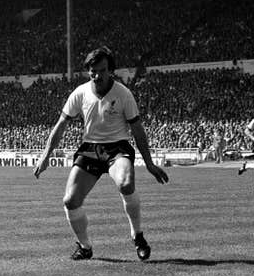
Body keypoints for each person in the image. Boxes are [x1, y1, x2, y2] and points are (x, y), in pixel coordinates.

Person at [33, 46, 169, 261]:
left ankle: (137, 236)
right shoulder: (80, 93)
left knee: (125, 183)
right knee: (70, 200)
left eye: (102, 70)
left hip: (118, 147)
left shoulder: (123, 94)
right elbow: (61, 124)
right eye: (92, 70)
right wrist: (45, 155)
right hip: (90, 149)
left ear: (111, 70)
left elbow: (138, 130)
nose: (96, 75)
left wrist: (150, 164)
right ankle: (85, 247)